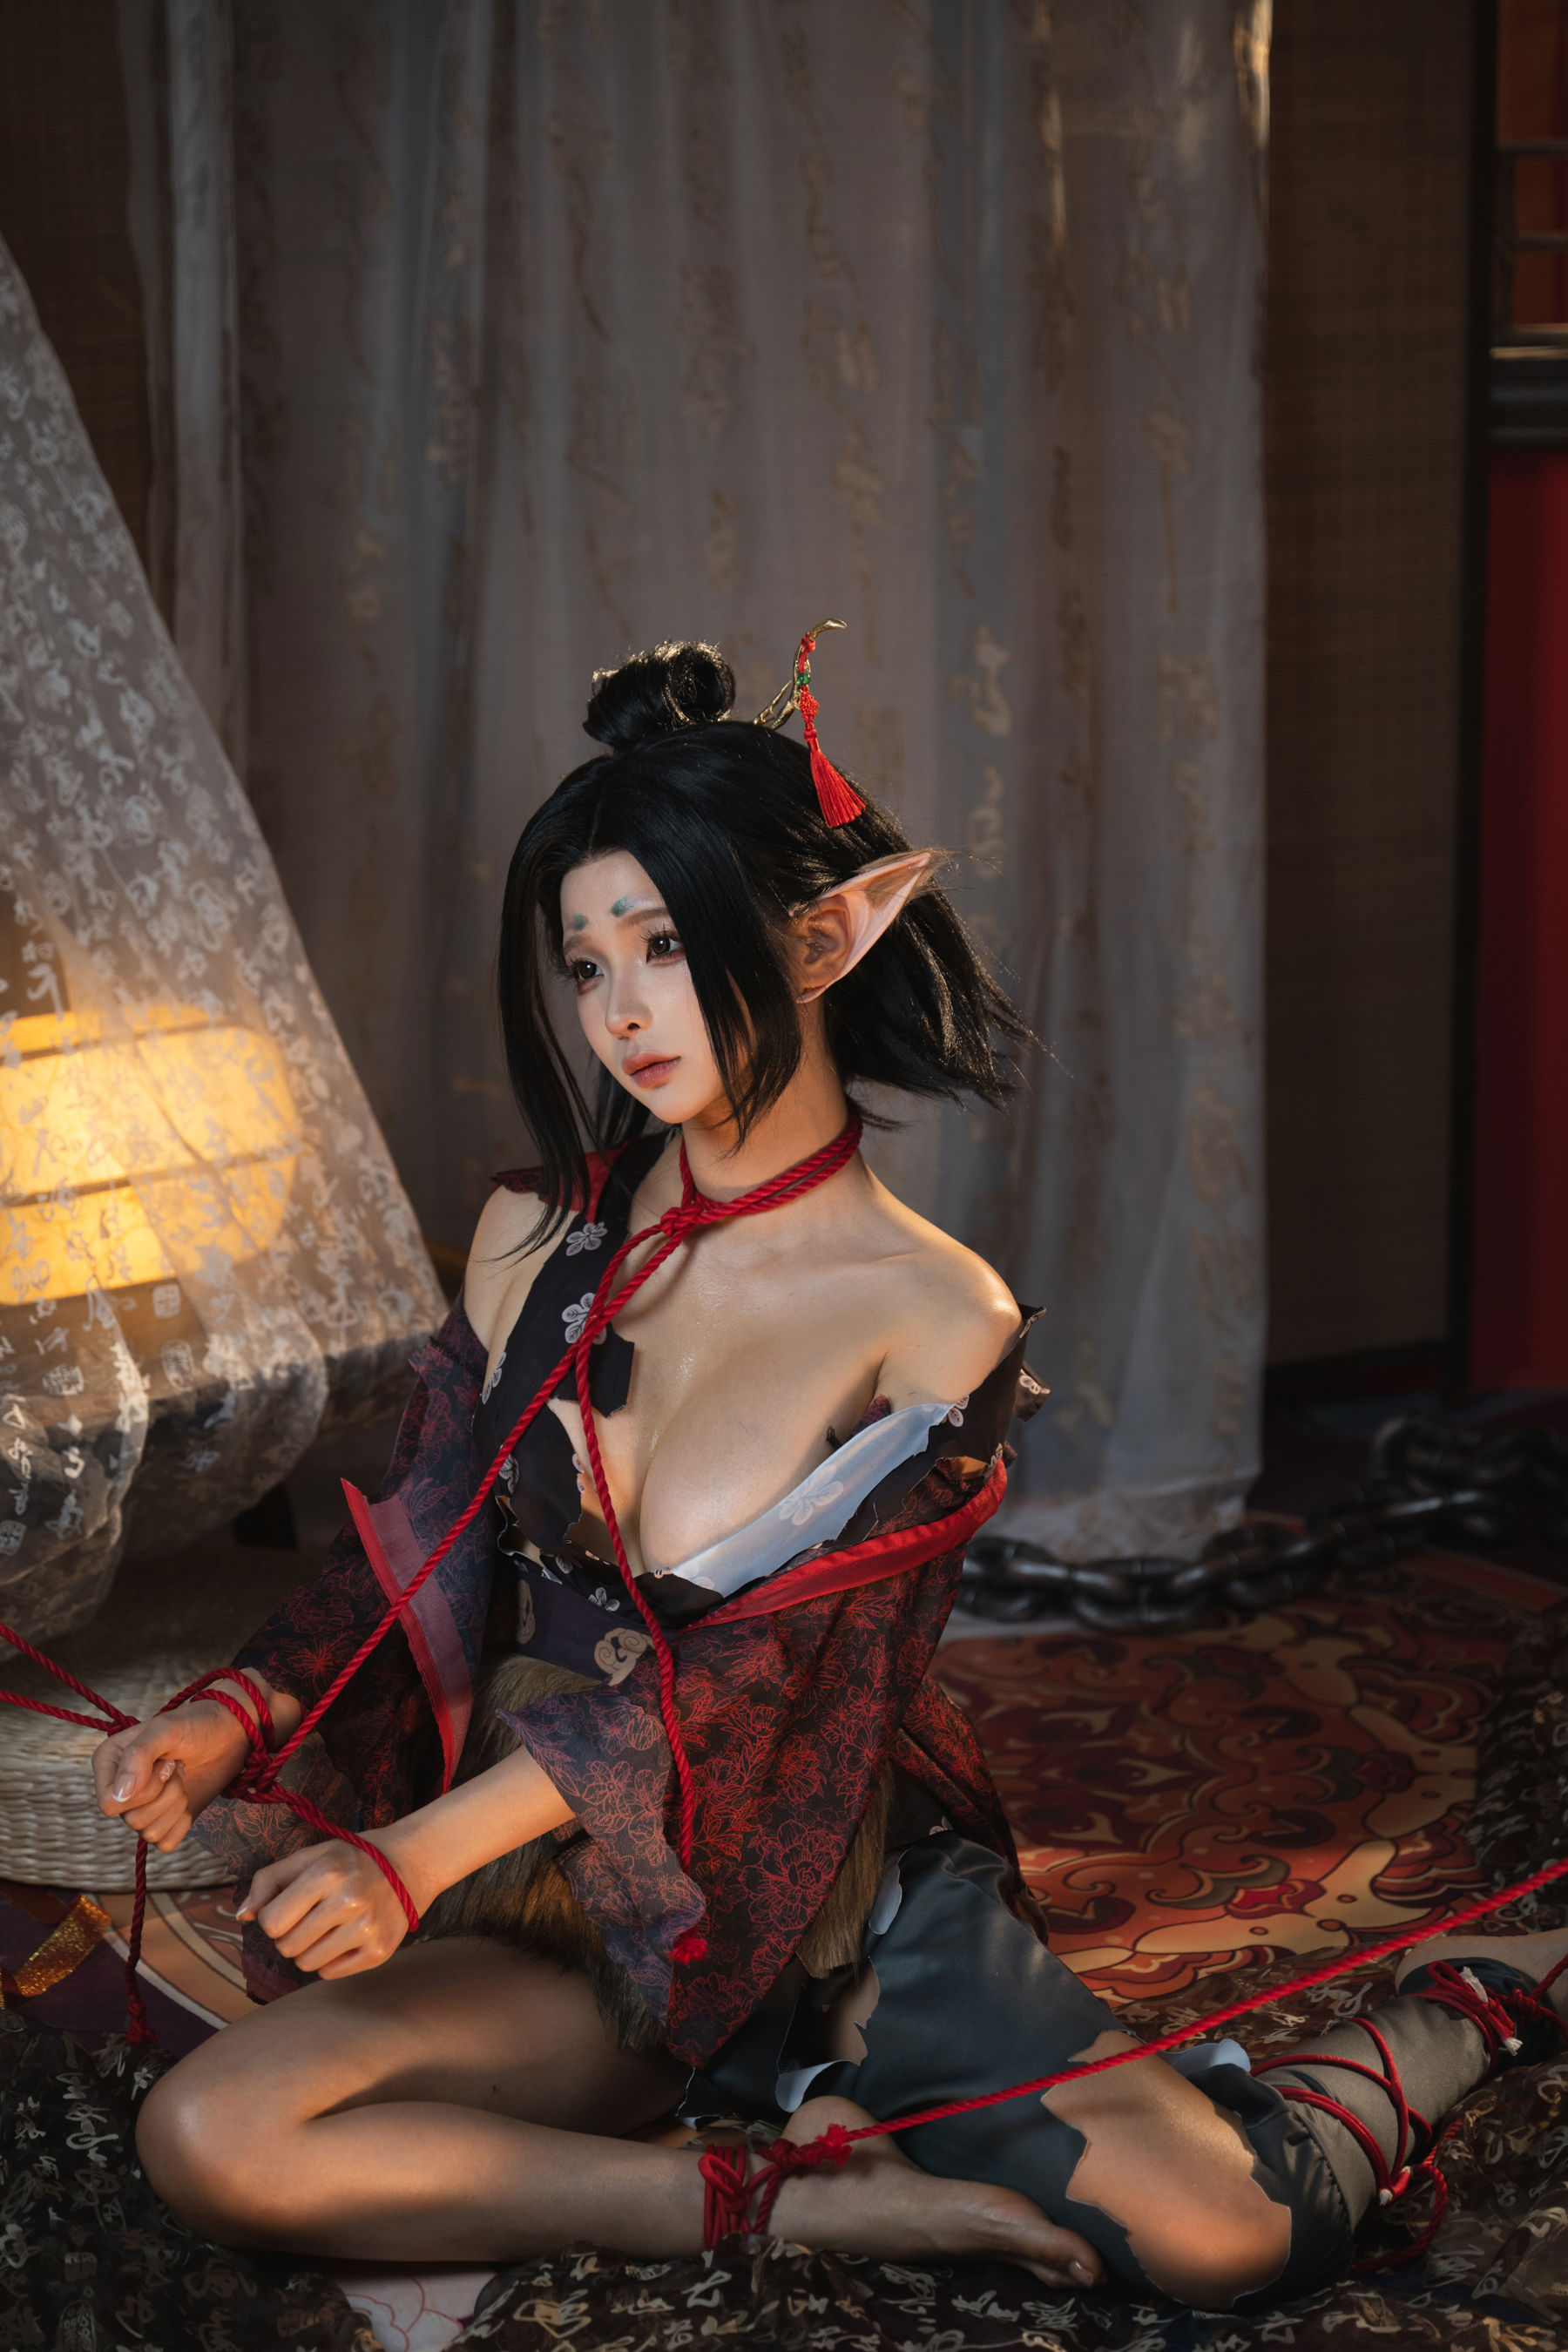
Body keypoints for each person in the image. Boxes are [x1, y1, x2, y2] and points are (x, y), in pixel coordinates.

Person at [91, 639, 1566, 2315]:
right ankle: (807, 2199)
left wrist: (411, 1857)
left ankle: (1472, 1998)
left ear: (820, 938)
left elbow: (763, 1681)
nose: (621, 1010)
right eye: (586, 962)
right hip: (572, 1901)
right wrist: (232, 1716)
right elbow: (419, 1554)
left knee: (1226, 2238)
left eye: (664, 944)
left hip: (815, 1880)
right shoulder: (533, 1234)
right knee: (211, 2135)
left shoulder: (936, 1316)